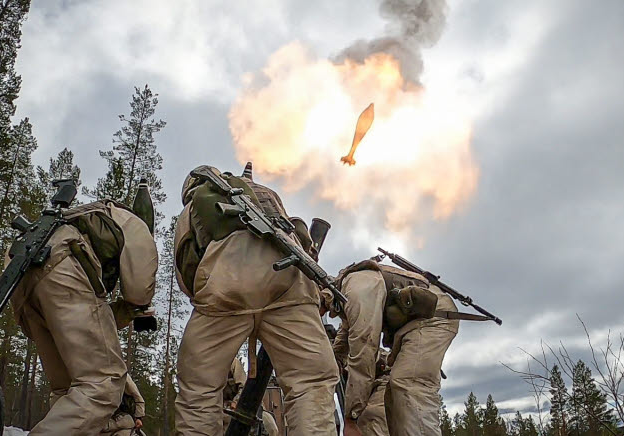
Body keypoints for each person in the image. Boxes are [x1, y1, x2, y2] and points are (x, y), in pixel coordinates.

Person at [173, 165, 339, 435]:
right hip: (289, 283)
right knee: (310, 383)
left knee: (199, 390)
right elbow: (298, 234)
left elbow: (186, 267)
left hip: (224, 288)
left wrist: (208, 300)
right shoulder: (267, 194)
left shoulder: (193, 207)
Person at [10, 199, 157, 435]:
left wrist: (122, 312)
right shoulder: (131, 221)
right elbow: (139, 289)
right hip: (61, 264)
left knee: (69, 390)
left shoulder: (79, 217)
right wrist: (138, 307)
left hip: (22, 279)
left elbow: (87, 322)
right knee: (104, 384)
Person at [330, 259, 459, 436]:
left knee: (409, 385)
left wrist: (351, 418)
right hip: (415, 326)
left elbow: (364, 348)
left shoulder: (356, 288)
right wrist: (332, 364)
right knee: (394, 397)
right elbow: (343, 342)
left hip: (433, 319)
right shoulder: (346, 298)